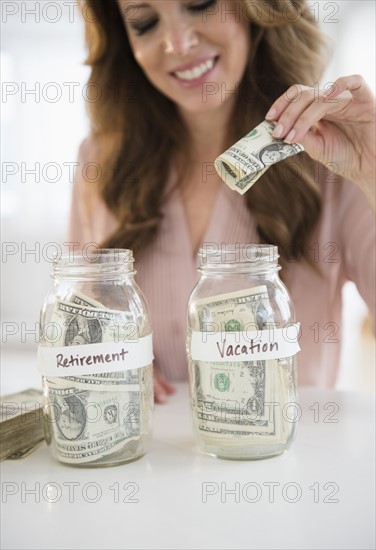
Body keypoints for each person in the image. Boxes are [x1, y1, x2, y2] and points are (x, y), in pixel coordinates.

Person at [69, 0, 375, 402]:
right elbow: (79, 327)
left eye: (199, 5)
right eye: (144, 23)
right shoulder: (100, 162)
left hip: (288, 458)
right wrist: (96, 362)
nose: (177, 44)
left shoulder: (333, 157)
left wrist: (372, 169)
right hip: (150, 456)